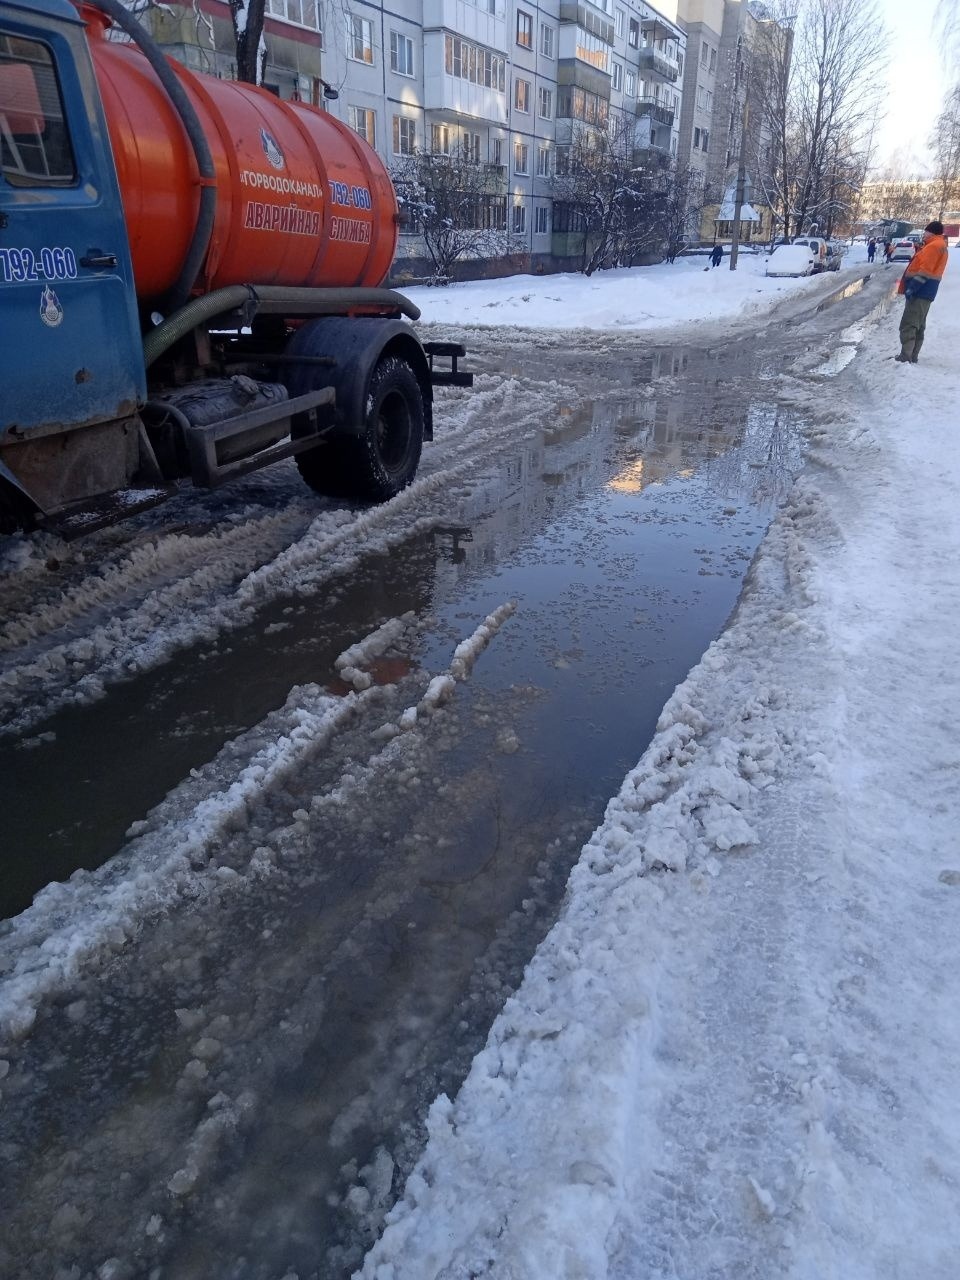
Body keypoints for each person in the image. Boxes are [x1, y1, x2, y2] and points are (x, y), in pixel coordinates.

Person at [894, 220, 949, 363]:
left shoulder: (934, 246)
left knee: (909, 324)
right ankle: (912, 355)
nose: (924, 234)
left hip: (920, 291)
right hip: (926, 291)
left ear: (932, 232)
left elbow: (925, 271)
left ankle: (906, 356)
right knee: (918, 324)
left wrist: (912, 288)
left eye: (926, 231)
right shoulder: (939, 245)